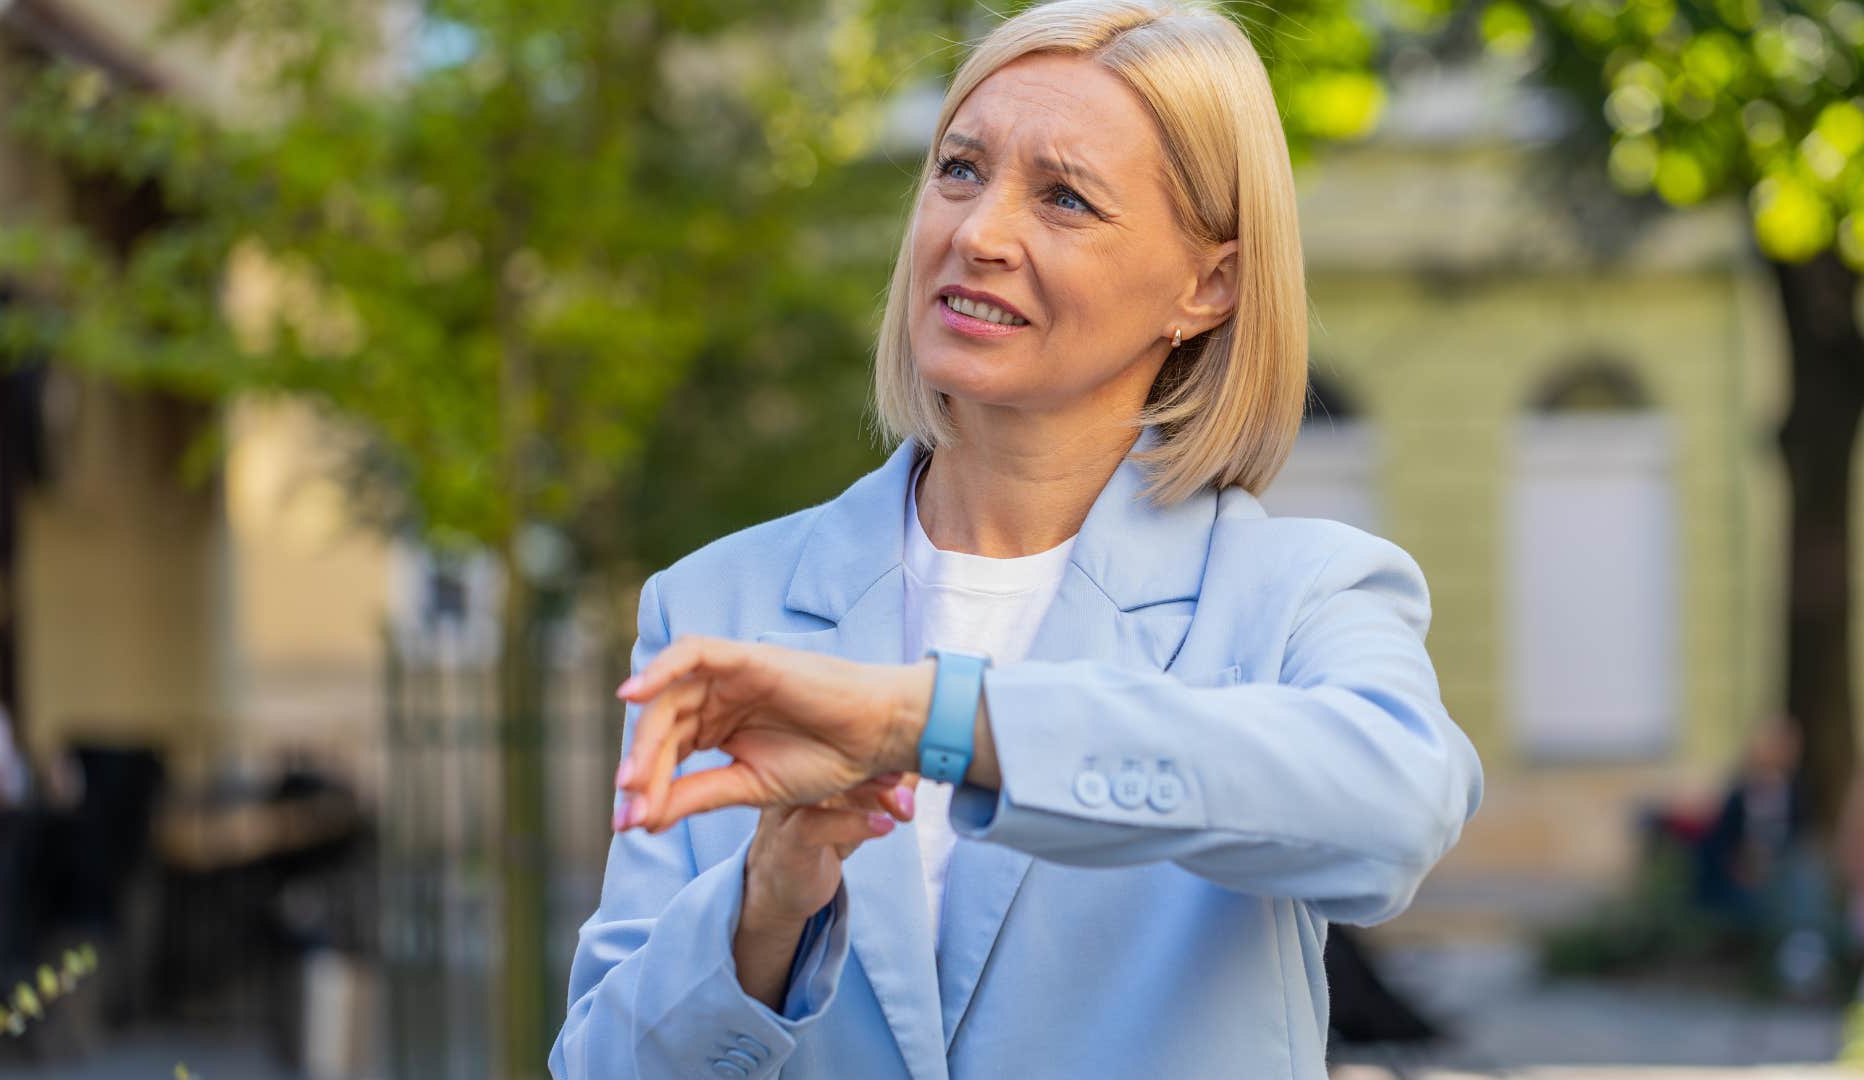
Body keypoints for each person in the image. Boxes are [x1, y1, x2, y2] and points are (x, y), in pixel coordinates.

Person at [550, 1, 1484, 1076]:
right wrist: (763, 910)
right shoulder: (717, 604)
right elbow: (602, 1064)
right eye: (959, 170)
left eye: (1064, 197)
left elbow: (1398, 808)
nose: (979, 233)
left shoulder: (1300, 591)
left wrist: (927, 720)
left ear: (1207, 285)